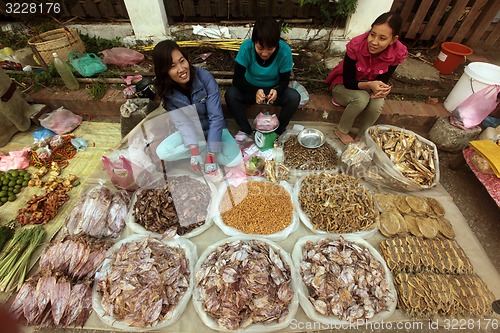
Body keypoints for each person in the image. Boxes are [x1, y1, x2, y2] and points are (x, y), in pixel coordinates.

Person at [152, 40, 242, 180]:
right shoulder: (167, 91)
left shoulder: (205, 78)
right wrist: (193, 150)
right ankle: (201, 150)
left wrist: (211, 155)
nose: (181, 69)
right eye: (173, 66)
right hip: (193, 132)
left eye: (182, 61)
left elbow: (216, 118)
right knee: (162, 152)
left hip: (215, 129)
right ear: (164, 71)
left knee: (235, 159)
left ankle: (208, 150)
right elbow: (182, 123)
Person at [325, 12, 408, 144]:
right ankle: (341, 130)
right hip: (343, 86)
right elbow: (348, 82)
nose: (374, 42)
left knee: (378, 102)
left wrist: (382, 89)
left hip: (367, 88)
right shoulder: (356, 45)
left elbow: (383, 80)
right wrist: (370, 85)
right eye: (372, 34)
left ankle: (363, 134)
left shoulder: (398, 52)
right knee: (361, 99)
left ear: (393, 40)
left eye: (382, 38)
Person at [225, 16, 300, 141]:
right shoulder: (246, 48)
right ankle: (246, 129)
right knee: (230, 94)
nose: (265, 54)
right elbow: (237, 80)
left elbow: (284, 80)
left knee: (294, 97)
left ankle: (278, 131)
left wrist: (277, 90)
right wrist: (255, 91)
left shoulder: (284, 51)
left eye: (270, 48)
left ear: (276, 44)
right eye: (260, 48)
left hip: (272, 92)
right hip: (250, 90)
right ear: (254, 41)